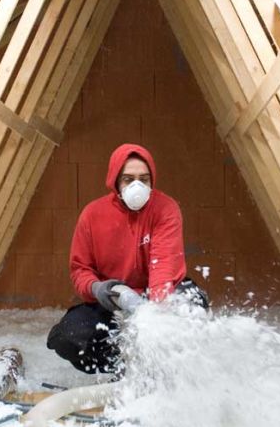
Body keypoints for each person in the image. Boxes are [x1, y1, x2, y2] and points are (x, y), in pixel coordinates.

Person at [46, 143, 207, 374]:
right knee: (69, 336)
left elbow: (162, 266)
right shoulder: (93, 215)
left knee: (190, 310)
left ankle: (174, 372)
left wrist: (156, 316)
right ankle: (121, 369)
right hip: (113, 299)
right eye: (128, 179)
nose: (137, 186)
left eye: (144, 179)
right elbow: (80, 269)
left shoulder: (165, 208)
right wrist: (97, 289)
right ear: (115, 181)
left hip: (162, 292)